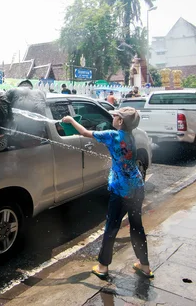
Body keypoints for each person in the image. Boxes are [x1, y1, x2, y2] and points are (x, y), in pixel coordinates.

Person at [62, 107, 152, 279]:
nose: (113, 117)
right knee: (136, 226)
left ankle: (103, 267)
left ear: (120, 121)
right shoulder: (131, 137)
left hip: (121, 190)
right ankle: (145, 266)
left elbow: (85, 133)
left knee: (112, 226)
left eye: (116, 115)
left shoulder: (113, 135)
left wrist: (71, 121)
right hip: (137, 187)